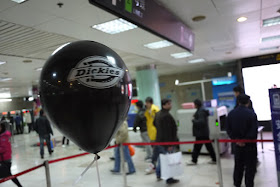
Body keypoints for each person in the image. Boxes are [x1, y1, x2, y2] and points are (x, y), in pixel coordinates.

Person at [227, 94, 258, 187]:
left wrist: (236, 140)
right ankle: (249, 184)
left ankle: (237, 184)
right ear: (248, 102)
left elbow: (228, 129)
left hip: (237, 145)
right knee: (250, 167)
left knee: (238, 166)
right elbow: (253, 131)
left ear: (238, 102)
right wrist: (245, 140)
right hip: (250, 146)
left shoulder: (231, 114)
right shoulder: (251, 114)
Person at [153, 98, 179, 184]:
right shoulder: (166, 116)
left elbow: (154, 124)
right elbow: (169, 131)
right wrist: (170, 144)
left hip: (159, 140)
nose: (170, 105)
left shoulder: (158, 114)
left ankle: (159, 174)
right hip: (167, 142)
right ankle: (169, 179)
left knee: (162, 158)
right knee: (168, 160)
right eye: (169, 104)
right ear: (164, 105)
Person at [187, 99, 216, 165]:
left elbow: (201, 122)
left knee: (197, 147)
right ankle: (214, 159)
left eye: (194, 104)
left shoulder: (200, 111)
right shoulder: (202, 110)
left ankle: (194, 160)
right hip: (203, 133)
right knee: (209, 146)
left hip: (200, 133)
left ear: (196, 105)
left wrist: (193, 120)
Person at [0, 121, 23, 187]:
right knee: (8, 175)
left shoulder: (4, 136)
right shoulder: (2, 136)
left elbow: (4, 148)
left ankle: (20, 185)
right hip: (3, 158)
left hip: (5, 159)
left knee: (8, 174)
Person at [144, 97, 160, 174]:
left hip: (156, 134)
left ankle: (154, 166)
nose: (146, 104)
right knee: (155, 151)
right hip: (151, 134)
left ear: (150, 103)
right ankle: (155, 166)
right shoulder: (147, 111)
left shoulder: (155, 110)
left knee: (156, 152)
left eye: (147, 103)